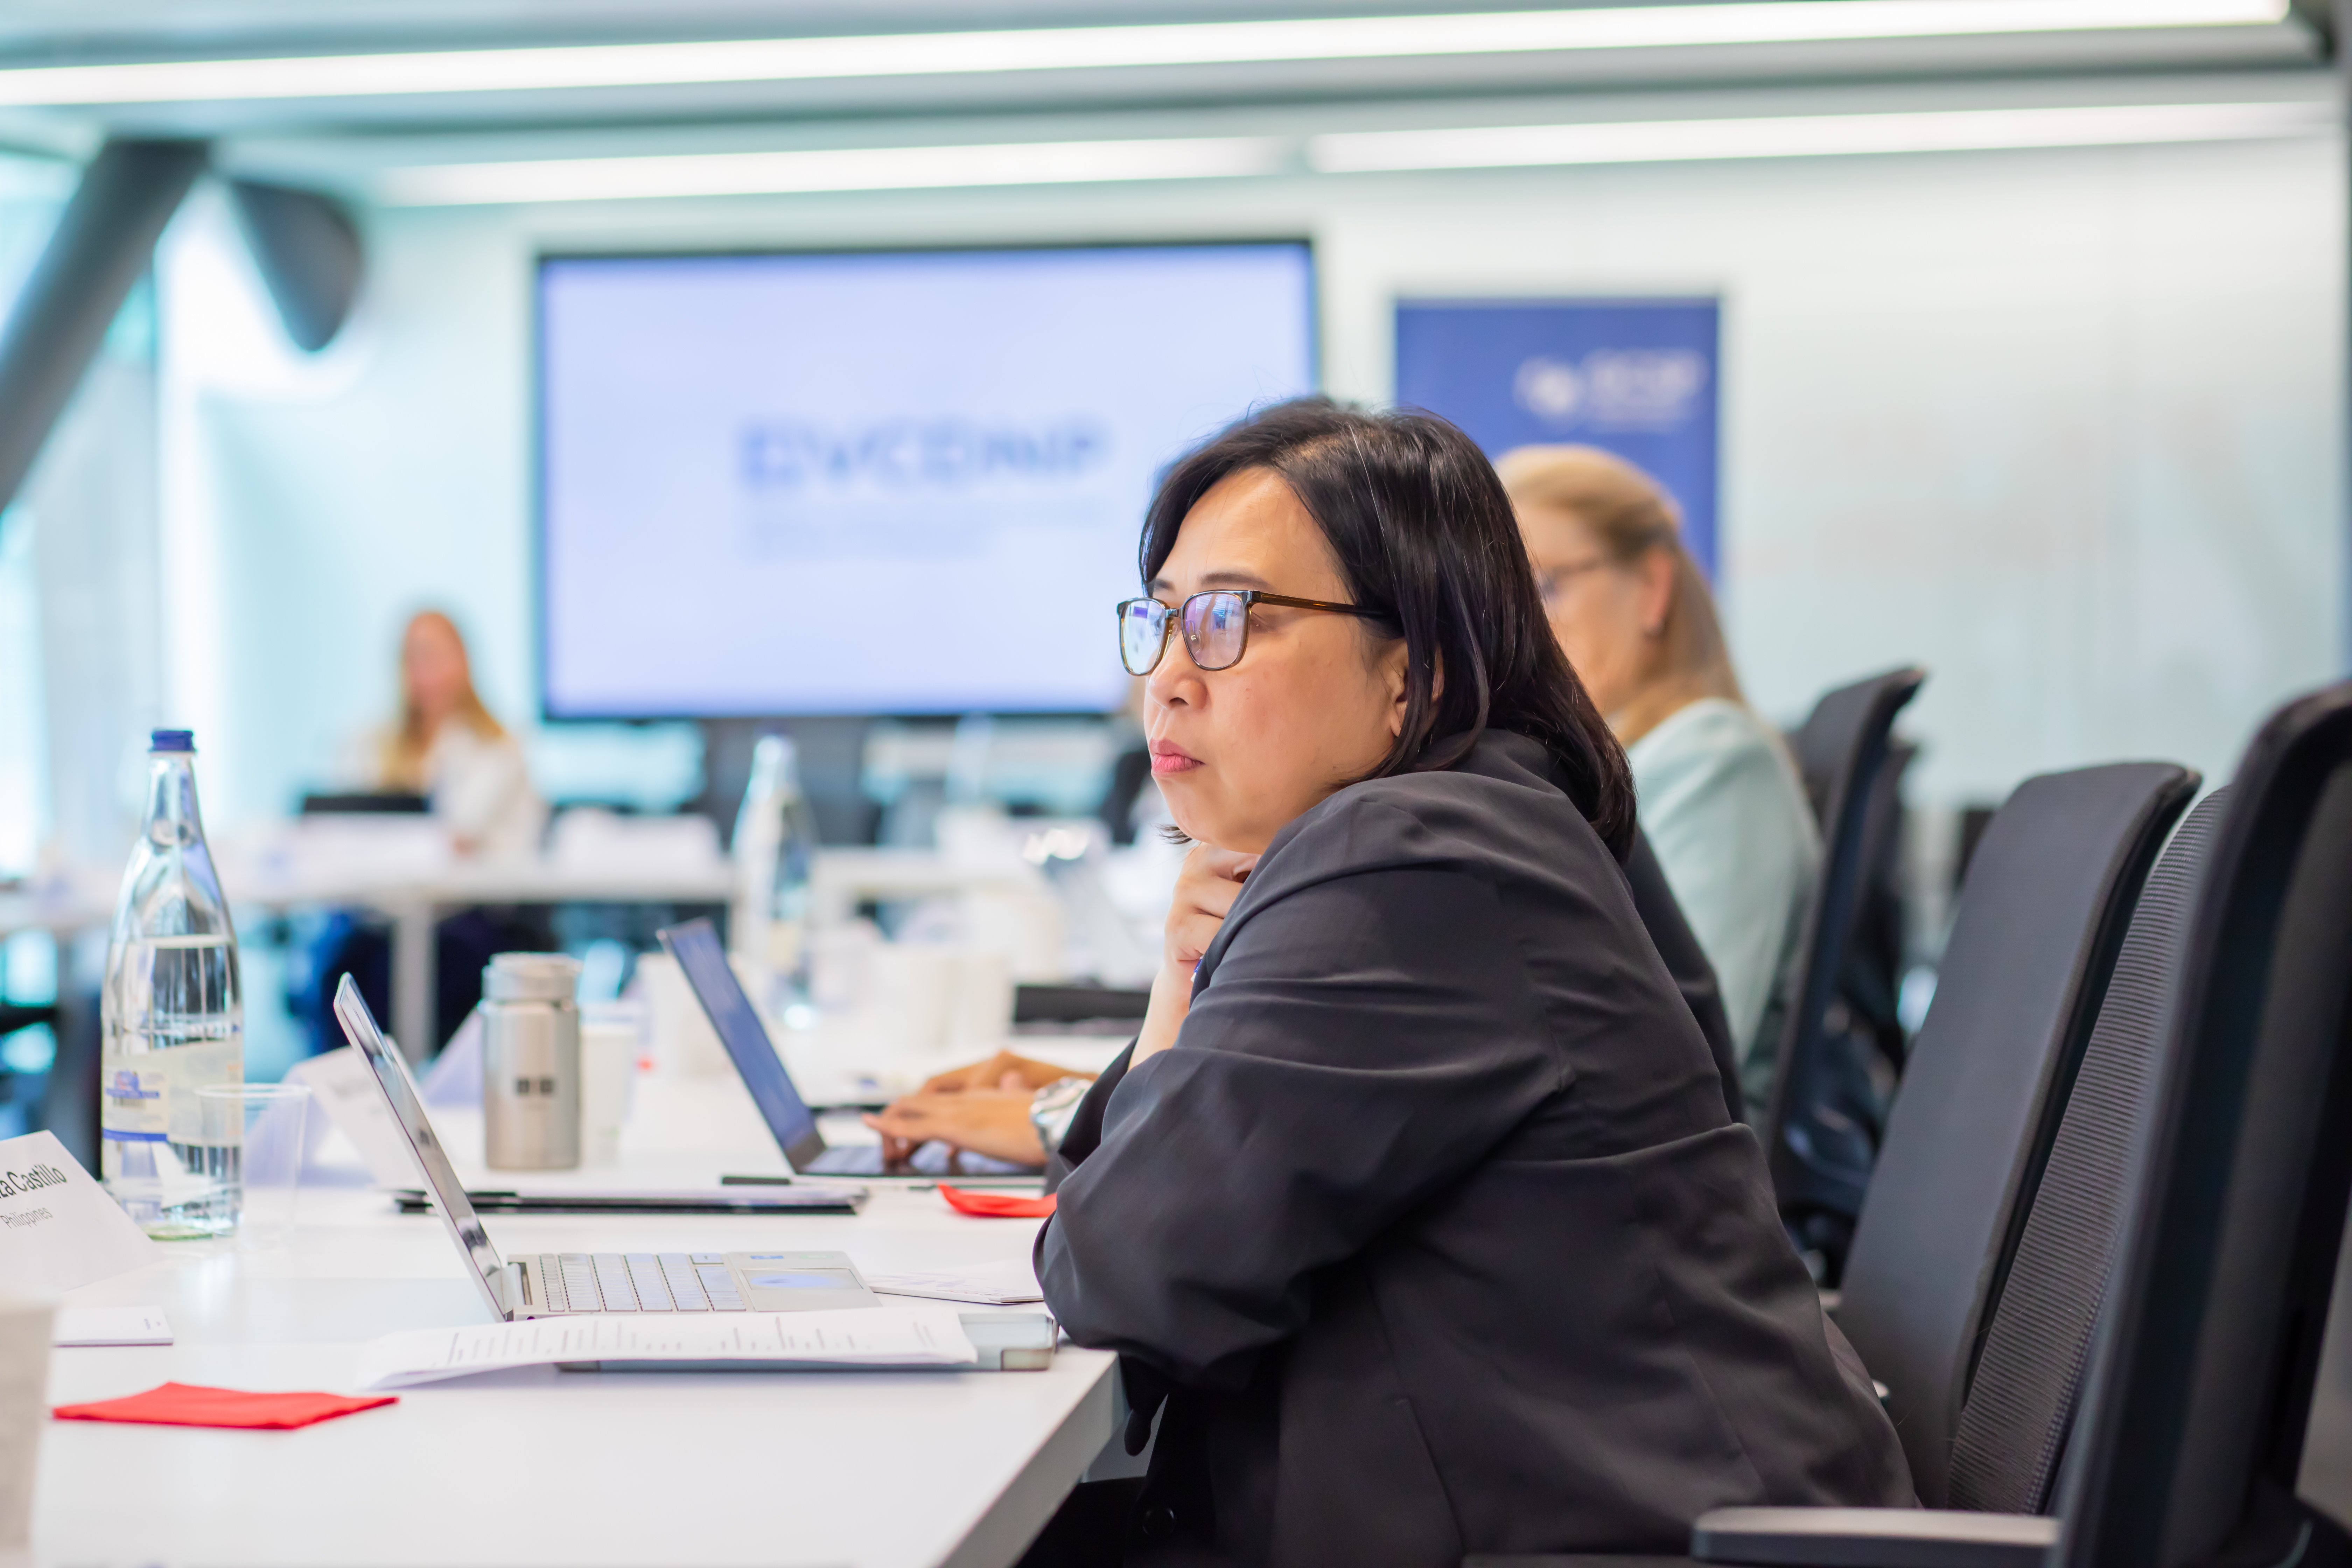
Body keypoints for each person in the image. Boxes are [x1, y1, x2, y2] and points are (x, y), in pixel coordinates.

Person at [1009, 399, 1910, 1567]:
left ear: (1415, 670)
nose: (1170, 679)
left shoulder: (1411, 861)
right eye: (1163, 620)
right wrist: (1180, 984)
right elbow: (1130, 1230)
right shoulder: (1455, 828)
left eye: (1232, 618)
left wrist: (1175, 1007)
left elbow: (1124, 1278)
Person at [1498, 445, 1819, 1112]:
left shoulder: (1716, 761)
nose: (1520, 627)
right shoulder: (1592, 766)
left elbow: (1680, 1055)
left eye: (1546, 586)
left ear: (1652, 589)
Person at [370, 609, 546, 860]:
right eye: (414, 658)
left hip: (486, 893)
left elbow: (460, 836)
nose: (424, 671)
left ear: (462, 661)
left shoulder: (499, 748)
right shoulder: (381, 747)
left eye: (433, 656)